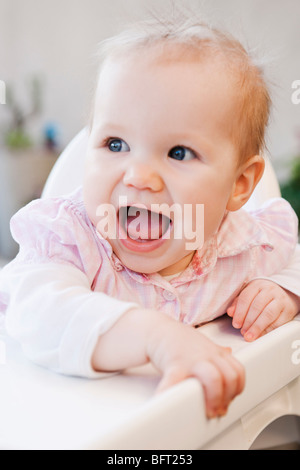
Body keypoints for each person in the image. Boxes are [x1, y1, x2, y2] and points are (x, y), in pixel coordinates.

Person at [0, 15, 299, 419]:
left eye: (178, 152)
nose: (138, 175)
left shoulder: (242, 245)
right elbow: (38, 313)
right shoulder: (70, 241)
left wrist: (282, 290)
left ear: (239, 185)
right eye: (115, 143)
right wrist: (156, 338)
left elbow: (291, 254)